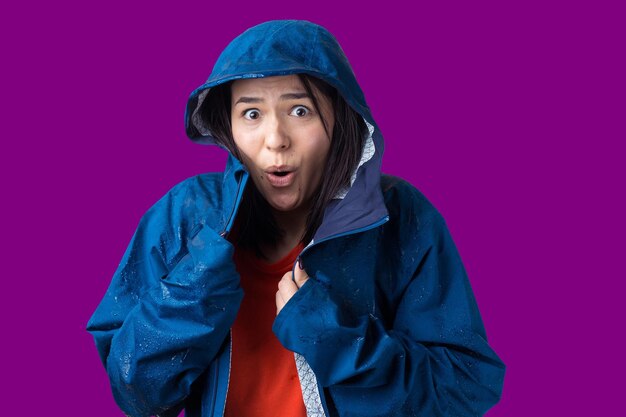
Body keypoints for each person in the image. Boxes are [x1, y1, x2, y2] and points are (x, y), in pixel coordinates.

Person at [87, 19, 505, 417]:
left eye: (300, 110)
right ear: (227, 126)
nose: (275, 140)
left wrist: (335, 339)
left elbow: (464, 388)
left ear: (340, 119)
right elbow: (135, 393)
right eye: (251, 114)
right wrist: (198, 290)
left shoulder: (402, 217)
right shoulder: (184, 215)